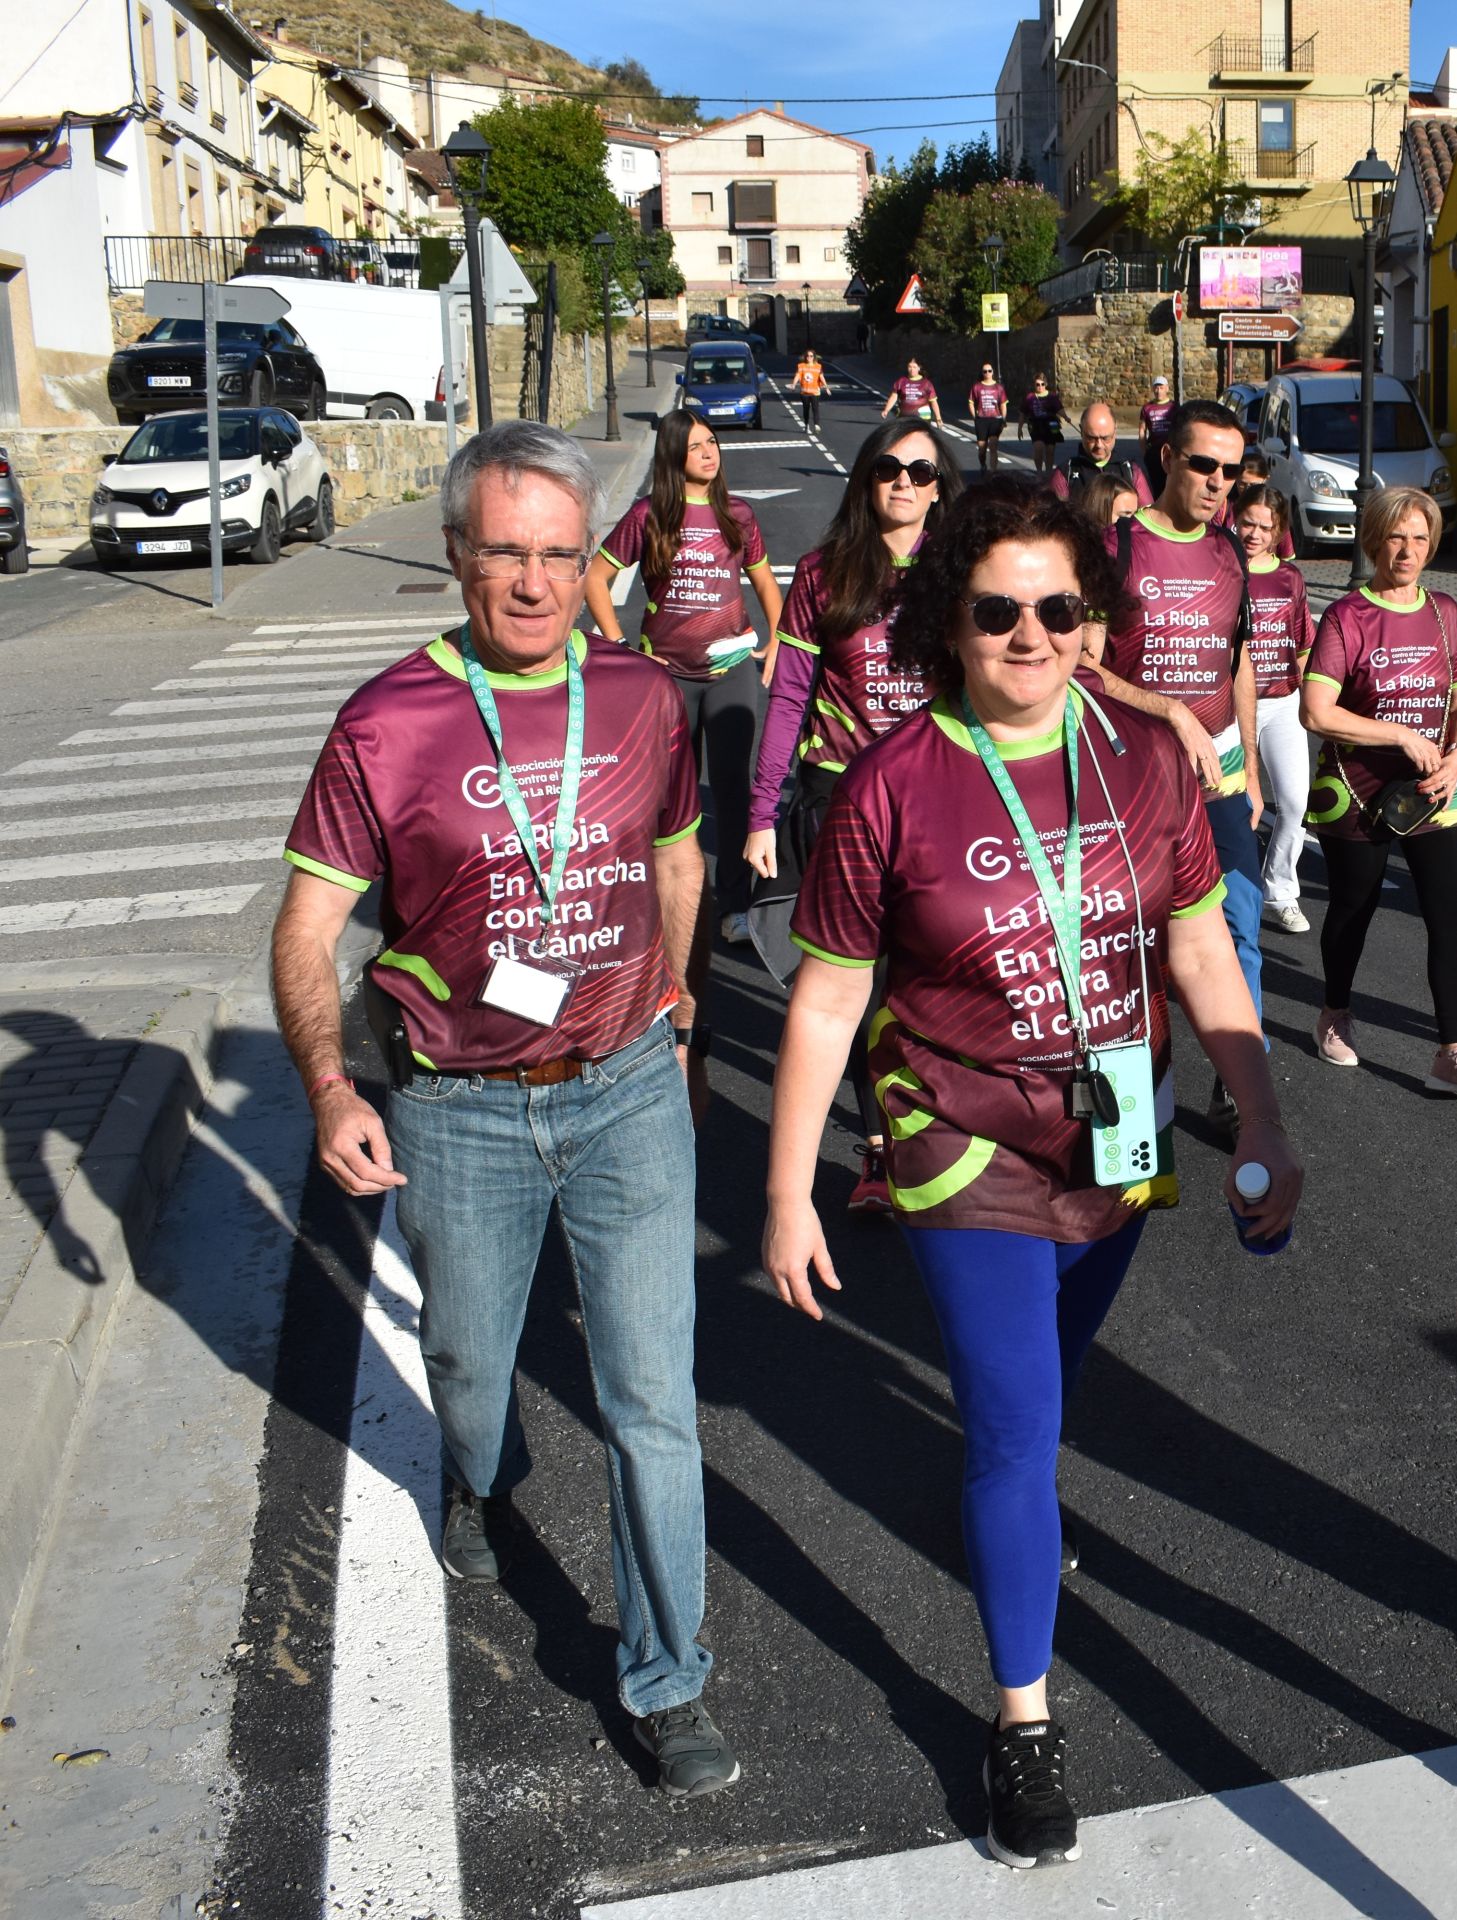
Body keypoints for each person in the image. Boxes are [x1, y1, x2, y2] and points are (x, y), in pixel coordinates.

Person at [763, 476, 1300, 1871]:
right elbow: (825, 1000)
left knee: (1045, 1388)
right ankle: (1022, 1721)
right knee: (1011, 1427)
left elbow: (1194, 952)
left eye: (1057, 609)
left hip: (1119, 1106)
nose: (1029, 635)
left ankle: (1015, 1517)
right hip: (959, 1129)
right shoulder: (892, 782)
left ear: (1091, 618)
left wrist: (1262, 1118)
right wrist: (783, 1191)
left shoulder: (1146, 757)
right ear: (950, 620)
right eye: (997, 610)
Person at [271, 420, 740, 1799]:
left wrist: (682, 1006)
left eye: (558, 554)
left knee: (653, 1397)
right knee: (470, 1370)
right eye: (505, 555)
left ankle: (668, 1676)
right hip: (458, 1108)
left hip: (623, 1090)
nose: (534, 584)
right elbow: (307, 931)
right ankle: (475, 1475)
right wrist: (324, 1084)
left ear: (590, 558)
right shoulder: (386, 720)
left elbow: (676, 858)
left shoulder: (645, 696)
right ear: (457, 556)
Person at [744, 419, 964, 1211]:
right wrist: (762, 812)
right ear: (865, 480)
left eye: (920, 470)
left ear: (941, 487)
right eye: (887, 468)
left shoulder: (960, 574)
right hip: (841, 798)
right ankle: (878, 1152)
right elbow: (788, 701)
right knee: (864, 989)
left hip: (944, 795)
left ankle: (940, 1127)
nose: (903, 482)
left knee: (936, 978)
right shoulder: (821, 574)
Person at [1092, 398, 1265, 1133]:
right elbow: (1083, 668)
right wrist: (1168, 712)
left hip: (1219, 778)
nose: (1217, 482)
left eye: (1229, 471)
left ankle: (1237, 1088)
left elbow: (1240, 664)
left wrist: (1251, 767)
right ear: (1167, 459)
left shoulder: (1229, 552)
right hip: (1132, 777)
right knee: (1129, 943)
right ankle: (1127, 1113)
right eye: (1202, 465)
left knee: (1239, 931)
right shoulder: (1114, 547)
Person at [583, 414, 783, 946]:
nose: (709, 453)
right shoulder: (649, 516)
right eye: (695, 447)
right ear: (674, 456)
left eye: (712, 443)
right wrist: (619, 647)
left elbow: (765, 584)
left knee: (734, 789)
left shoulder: (738, 514)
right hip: (666, 678)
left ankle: (736, 905)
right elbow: (595, 579)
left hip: (730, 673)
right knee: (670, 797)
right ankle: (664, 898)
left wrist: (776, 641)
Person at [1300, 486, 1457, 1092]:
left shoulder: (1446, 612)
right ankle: (1334, 1012)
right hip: (1355, 788)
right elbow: (1316, 713)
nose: (1408, 549)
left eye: (1420, 538)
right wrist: (1397, 735)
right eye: (1397, 536)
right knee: (1354, 909)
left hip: (1434, 790)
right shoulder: (1348, 617)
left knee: (1449, 917)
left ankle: (1450, 1049)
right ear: (1375, 539)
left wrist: (1453, 764)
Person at [1235, 485, 1314, 934]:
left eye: (1266, 526)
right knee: (1235, 804)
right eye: (1249, 522)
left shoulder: (1291, 578)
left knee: (1293, 802)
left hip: (1282, 702)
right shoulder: (1222, 568)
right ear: (1235, 518)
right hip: (1230, 706)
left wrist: (1306, 701)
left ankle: (1280, 889)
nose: (1255, 533)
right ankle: (1225, 889)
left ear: (1278, 530)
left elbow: (1302, 643)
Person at [1049, 403, 1153, 508]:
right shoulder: (1065, 473)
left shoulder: (1131, 472)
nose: (1099, 445)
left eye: (1105, 438)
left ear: (1115, 431)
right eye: (1091, 438)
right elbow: (1054, 519)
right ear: (1081, 431)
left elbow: (1147, 516)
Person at [1217, 447, 1296, 559]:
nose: (1247, 489)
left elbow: (1286, 557)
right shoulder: (1224, 507)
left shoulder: (1274, 509)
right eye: (1242, 484)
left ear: (1265, 479)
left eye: (1253, 485)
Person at [1019, 372, 1072, 476]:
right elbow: (1022, 413)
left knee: (1050, 450)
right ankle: (1039, 472)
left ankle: (1048, 473)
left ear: (1046, 384)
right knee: (1038, 448)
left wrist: (1066, 417)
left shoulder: (1052, 397)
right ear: (1034, 385)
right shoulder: (1029, 397)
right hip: (1035, 424)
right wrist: (1019, 428)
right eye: (1037, 384)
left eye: (1042, 384)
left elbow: (1059, 409)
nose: (1040, 387)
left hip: (1051, 424)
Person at [968, 361, 1009, 473]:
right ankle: (983, 464)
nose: (987, 373)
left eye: (989, 371)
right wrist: (974, 416)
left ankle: (993, 472)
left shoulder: (999, 387)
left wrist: (1003, 418)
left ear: (993, 372)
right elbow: (971, 402)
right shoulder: (977, 387)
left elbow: (1003, 404)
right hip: (981, 420)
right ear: (982, 373)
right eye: (985, 371)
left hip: (995, 419)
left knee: (993, 446)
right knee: (982, 448)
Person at [1138, 374, 1175, 496]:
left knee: (1170, 482)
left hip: (1170, 451)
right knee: (1156, 485)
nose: (1158, 391)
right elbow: (1142, 430)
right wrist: (1144, 453)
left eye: (1161, 387)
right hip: (1154, 452)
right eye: (1156, 388)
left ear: (1167, 389)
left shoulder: (1174, 407)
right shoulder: (1147, 408)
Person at [882, 357, 944, 426]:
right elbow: (894, 397)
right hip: (904, 418)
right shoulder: (901, 381)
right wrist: (886, 410)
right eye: (909, 367)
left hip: (923, 419)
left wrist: (938, 418)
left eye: (914, 367)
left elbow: (933, 402)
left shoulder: (926, 383)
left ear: (919, 368)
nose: (911, 370)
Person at [791, 348, 831, 431]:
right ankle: (806, 424)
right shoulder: (801, 366)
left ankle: (816, 425)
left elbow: (821, 377)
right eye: (807, 356)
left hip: (815, 392)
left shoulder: (818, 367)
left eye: (811, 356)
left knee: (815, 408)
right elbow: (797, 376)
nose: (809, 358)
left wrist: (827, 388)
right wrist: (793, 385)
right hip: (804, 392)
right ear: (805, 357)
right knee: (806, 409)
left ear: (814, 357)